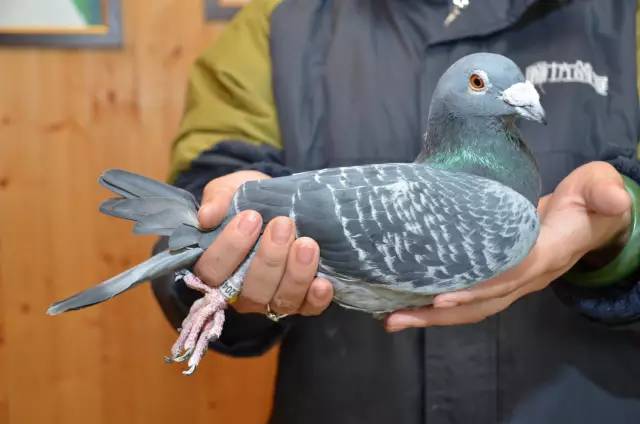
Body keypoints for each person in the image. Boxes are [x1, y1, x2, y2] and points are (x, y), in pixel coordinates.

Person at [152, 0, 640, 422]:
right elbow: (207, 189)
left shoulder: (623, 15)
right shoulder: (282, 21)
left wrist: (624, 235)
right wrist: (219, 254)